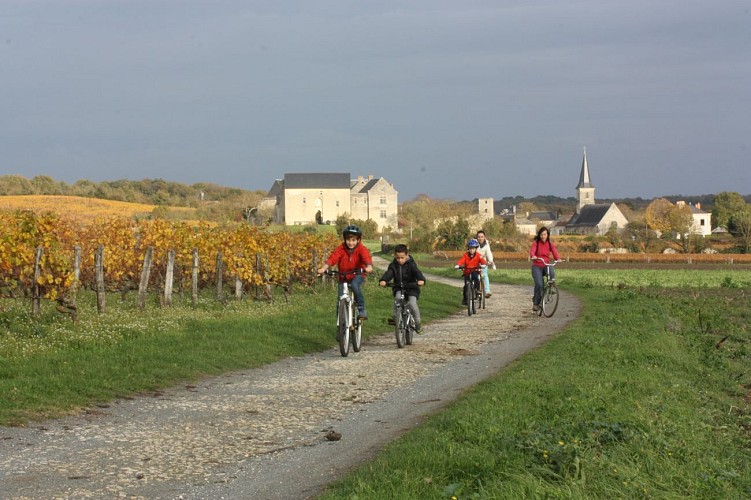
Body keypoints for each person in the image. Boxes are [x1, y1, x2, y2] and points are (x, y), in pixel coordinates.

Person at [317, 224, 373, 319]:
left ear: (358, 240)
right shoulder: (342, 248)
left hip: (358, 274)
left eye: (353, 240)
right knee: (340, 300)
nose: (350, 243)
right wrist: (324, 268)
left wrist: (369, 266)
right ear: (345, 239)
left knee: (355, 285)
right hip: (343, 276)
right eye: (348, 240)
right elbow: (333, 258)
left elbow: (366, 257)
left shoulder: (361, 249)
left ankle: (361, 309)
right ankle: (341, 325)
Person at [379, 244, 426, 333]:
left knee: (412, 303)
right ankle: (395, 317)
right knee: (397, 298)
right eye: (397, 258)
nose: (400, 260)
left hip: (412, 288)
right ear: (395, 256)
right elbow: (389, 273)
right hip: (399, 287)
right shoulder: (393, 265)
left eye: (402, 258)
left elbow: (417, 272)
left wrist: (421, 280)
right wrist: (384, 280)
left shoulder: (411, 264)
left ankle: (418, 323)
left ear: (407, 255)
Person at [530, 226, 560, 312]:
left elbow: (554, 252)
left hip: (546, 264)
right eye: (542, 234)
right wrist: (534, 256)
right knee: (539, 284)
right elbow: (532, 251)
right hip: (537, 265)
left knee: (552, 273)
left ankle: (550, 288)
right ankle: (536, 303)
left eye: (545, 234)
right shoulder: (536, 243)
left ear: (547, 235)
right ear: (539, 235)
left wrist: (558, 258)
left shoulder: (550, 244)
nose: (543, 236)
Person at [454, 239, 488, 305]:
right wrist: (458, 265)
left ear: (476, 249)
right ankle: (465, 299)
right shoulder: (465, 255)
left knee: (476, 278)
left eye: (473, 249)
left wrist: (484, 265)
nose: (472, 250)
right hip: (467, 272)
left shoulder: (478, 255)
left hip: (475, 271)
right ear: (468, 249)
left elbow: (483, 261)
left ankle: (477, 290)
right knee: (466, 286)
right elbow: (461, 261)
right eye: (470, 248)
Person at [475, 230, 496, 298]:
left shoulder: (486, 245)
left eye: (482, 237)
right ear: (476, 238)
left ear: (484, 237)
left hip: (483, 262)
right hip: (474, 263)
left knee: (485, 276)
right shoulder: (474, 244)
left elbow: (489, 253)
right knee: (476, 277)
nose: (480, 238)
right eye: (479, 237)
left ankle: (487, 291)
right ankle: (476, 290)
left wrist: (491, 261)